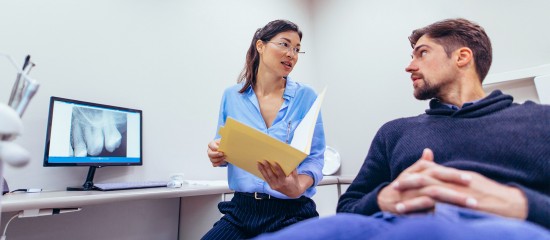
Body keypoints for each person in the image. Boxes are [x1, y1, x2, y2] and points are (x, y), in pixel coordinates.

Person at [254, 18, 550, 239]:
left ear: (461, 57)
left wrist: (521, 203)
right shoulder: (395, 133)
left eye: (421, 53)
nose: (409, 66)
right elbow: (349, 206)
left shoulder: (539, 121)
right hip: (388, 225)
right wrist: (384, 198)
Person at [203, 19, 326, 239]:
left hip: (291, 212)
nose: (292, 54)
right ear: (260, 46)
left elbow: (315, 158)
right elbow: (222, 147)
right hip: (241, 211)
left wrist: (298, 186)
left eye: (297, 49)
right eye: (284, 44)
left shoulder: (306, 97)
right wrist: (216, 152)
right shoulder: (232, 96)